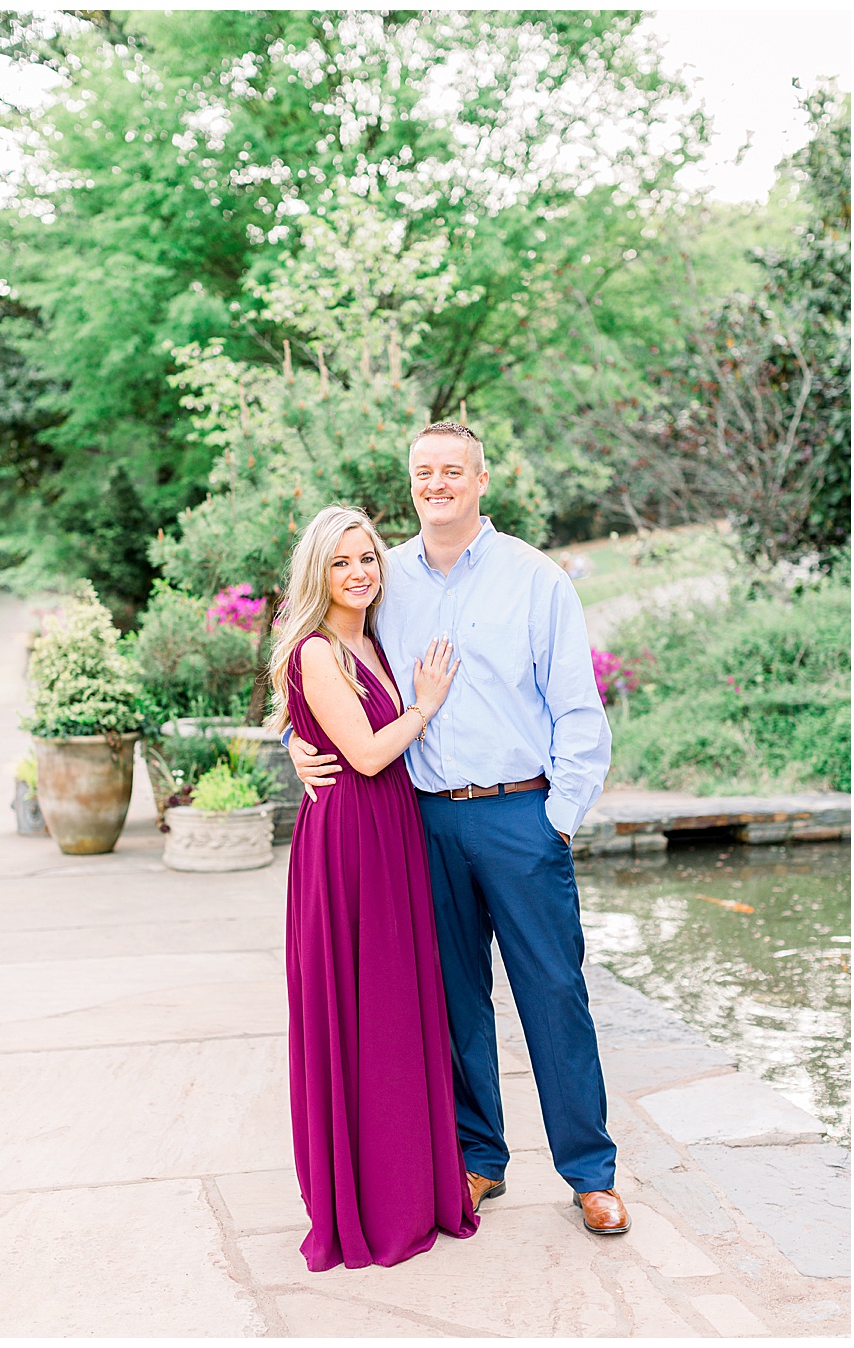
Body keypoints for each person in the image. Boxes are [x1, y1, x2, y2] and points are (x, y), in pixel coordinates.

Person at [290, 423, 629, 1237]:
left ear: (482, 480)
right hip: (422, 822)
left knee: (555, 995)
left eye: (452, 470)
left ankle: (590, 1175)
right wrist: (297, 740)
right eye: (423, 472)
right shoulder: (385, 579)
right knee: (452, 1003)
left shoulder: (535, 579)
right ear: (410, 483)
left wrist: (557, 821)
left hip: (521, 816)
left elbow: (579, 712)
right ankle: (479, 1159)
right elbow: (328, 661)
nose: (436, 484)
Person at [268, 502, 477, 1271]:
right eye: (340, 562)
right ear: (316, 573)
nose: (358, 573)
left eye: (366, 559)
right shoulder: (318, 649)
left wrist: (293, 737)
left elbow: (312, 725)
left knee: (393, 1011)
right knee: (362, 1014)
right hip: (350, 843)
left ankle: (406, 1185)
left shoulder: (371, 638)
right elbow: (362, 754)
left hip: (389, 832)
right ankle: (371, 1204)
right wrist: (425, 706)